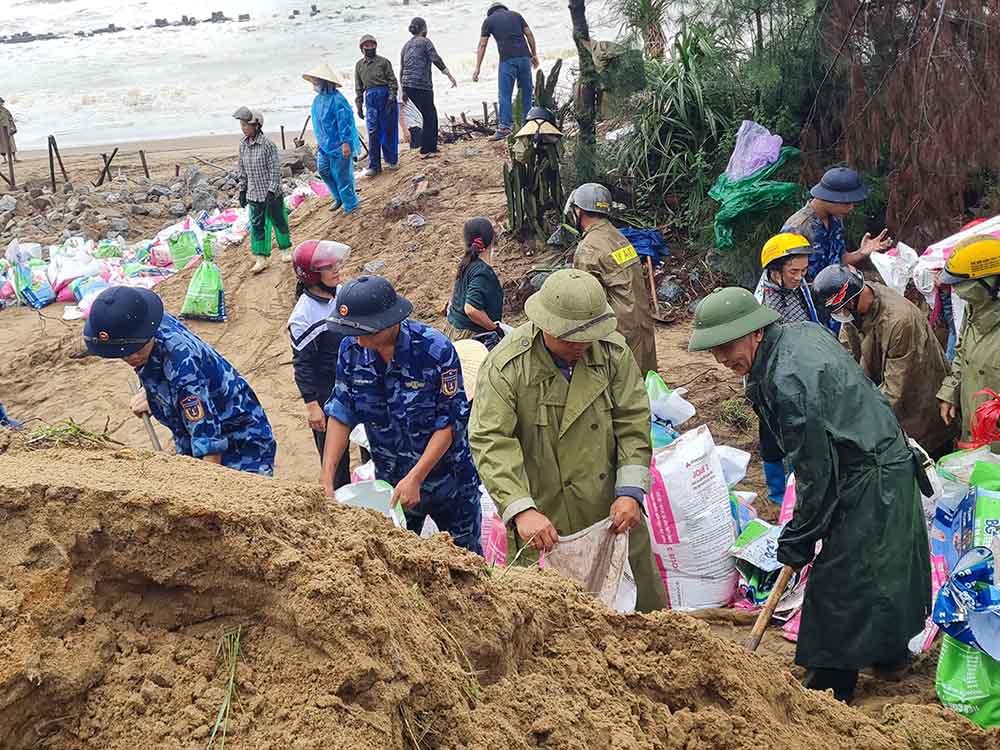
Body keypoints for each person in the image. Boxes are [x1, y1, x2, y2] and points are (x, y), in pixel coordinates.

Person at [688, 287, 931, 703]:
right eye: (715, 352)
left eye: (727, 347)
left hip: (870, 474)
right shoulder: (798, 333)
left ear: (755, 333)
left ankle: (827, 691)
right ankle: (888, 657)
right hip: (873, 460)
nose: (723, 361)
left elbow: (816, 474)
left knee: (841, 581)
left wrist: (799, 537)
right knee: (881, 571)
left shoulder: (788, 381)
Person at [469, 270, 665, 612]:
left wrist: (631, 491)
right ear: (546, 326)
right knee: (553, 630)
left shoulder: (611, 353)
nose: (581, 346)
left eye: (588, 337)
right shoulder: (507, 366)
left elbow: (633, 421)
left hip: (610, 511)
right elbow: (491, 439)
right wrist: (520, 508)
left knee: (641, 620)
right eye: (571, 339)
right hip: (545, 516)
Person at [321, 276, 483, 554]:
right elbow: (341, 410)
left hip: (449, 483)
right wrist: (327, 476)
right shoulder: (352, 350)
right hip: (392, 486)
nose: (358, 339)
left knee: (465, 562)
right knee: (397, 562)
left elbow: (450, 422)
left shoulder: (434, 350)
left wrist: (417, 477)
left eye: (365, 331)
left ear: (389, 321)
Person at [84, 286, 277, 475]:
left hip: (240, 441)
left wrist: (209, 489)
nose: (132, 357)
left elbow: (209, 442)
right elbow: (154, 367)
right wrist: (151, 394)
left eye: (138, 349)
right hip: (190, 433)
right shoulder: (143, 321)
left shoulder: (184, 370)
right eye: (124, 354)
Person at [814, 264, 955, 458]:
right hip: (893, 405)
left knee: (927, 468)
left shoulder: (899, 321)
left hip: (920, 409)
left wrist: (855, 422)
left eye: (841, 310)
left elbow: (895, 389)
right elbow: (846, 356)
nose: (841, 316)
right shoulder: (856, 309)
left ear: (852, 300)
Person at [753, 232, 823, 503]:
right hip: (770, 375)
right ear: (775, 269)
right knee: (772, 433)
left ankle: (798, 485)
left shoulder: (800, 288)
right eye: (794, 271)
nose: (800, 276)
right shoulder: (760, 302)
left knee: (798, 429)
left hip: (800, 367)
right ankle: (777, 494)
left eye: (804, 270)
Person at [568, 183, 657, 375]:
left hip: (619, 333)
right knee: (644, 385)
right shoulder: (617, 236)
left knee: (622, 390)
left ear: (579, 211)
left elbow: (586, 304)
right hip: (641, 326)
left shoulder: (589, 248)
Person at [288, 239, 353, 488]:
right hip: (328, 392)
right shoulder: (303, 316)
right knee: (334, 457)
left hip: (355, 381)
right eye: (328, 267)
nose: (336, 269)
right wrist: (312, 405)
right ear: (312, 276)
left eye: (336, 264)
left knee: (372, 441)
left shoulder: (343, 294)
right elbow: (302, 364)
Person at [937, 236, 1000, 444]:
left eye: (962, 283)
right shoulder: (974, 310)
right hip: (971, 434)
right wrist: (951, 392)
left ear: (989, 282)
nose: (956, 290)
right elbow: (961, 352)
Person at [783, 167, 893, 282]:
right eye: (846, 203)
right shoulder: (797, 228)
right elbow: (786, 279)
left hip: (835, 290)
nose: (851, 208)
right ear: (828, 197)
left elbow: (839, 261)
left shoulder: (835, 218)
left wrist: (861, 253)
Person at [234, 107, 291, 273]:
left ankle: (285, 250)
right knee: (257, 226)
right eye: (242, 125)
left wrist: (272, 190)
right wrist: (242, 191)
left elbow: (275, 170)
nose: (244, 128)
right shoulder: (243, 146)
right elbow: (242, 170)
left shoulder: (268, 145)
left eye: (247, 125)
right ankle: (261, 258)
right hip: (254, 194)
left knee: (279, 221)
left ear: (257, 126)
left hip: (271, 193)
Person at [472, 3, 539, 140]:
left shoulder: (489, 21)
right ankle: (528, 124)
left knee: (505, 94)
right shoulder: (517, 15)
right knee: (526, 91)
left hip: (508, 60)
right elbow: (529, 34)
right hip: (525, 57)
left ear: (490, 12)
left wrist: (477, 68)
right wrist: (534, 55)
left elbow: (482, 44)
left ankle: (505, 128)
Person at [304, 63, 361, 215]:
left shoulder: (338, 100)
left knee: (343, 176)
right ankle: (338, 197)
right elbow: (319, 124)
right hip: (324, 146)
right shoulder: (317, 100)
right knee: (323, 171)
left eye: (317, 81)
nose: (315, 84)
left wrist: (346, 142)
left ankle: (351, 204)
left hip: (339, 145)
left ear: (325, 81)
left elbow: (345, 123)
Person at [400, 17, 457, 157]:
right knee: (430, 116)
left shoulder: (406, 46)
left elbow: (402, 68)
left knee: (427, 114)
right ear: (423, 28)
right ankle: (427, 150)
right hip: (422, 84)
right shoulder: (425, 42)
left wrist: (403, 89)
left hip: (408, 85)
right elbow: (435, 58)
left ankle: (429, 147)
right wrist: (448, 74)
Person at [445, 217, 504, 347]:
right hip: (471, 337)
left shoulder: (467, 262)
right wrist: (494, 329)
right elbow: (471, 309)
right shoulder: (482, 272)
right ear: (491, 240)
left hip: (454, 329)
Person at [355, 35, 399, 177]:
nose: (369, 48)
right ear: (362, 49)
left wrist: (392, 98)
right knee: (373, 131)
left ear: (376, 46)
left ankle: (391, 160)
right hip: (370, 98)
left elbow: (392, 81)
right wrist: (359, 104)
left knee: (389, 129)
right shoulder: (359, 66)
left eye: (372, 45)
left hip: (385, 95)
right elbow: (359, 87)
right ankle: (374, 166)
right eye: (366, 46)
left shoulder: (384, 62)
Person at [0, 97, 17, 163]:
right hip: (0, 131)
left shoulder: (6, 110)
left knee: (11, 143)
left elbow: (10, 119)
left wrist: (13, 127)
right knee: (1, 145)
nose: (1, 103)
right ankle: (5, 159)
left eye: (1, 102)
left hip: (8, 129)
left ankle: (14, 158)